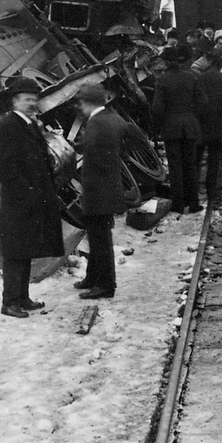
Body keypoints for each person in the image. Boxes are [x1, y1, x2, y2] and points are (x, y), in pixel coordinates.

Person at [0, 77, 65, 318]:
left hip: (32, 198)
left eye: (34, 99)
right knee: (15, 252)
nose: (32, 103)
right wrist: (26, 192)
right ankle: (9, 302)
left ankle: (22, 297)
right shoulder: (8, 125)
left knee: (25, 249)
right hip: (19, 199)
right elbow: (3, 167)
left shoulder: (29, 124)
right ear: (15, 101)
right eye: (27, 99)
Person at [73, 82, 126, 300]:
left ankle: (105, 284)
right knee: (97, 236)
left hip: (98, 190)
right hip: (107, 186)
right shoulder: (111, 118)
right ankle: (93, 277)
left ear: (86, 103)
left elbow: (96, 154)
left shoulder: (96, 124)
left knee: (100, 239)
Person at [152, 44, 206, 214]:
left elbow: (157, 108)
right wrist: (191, 115)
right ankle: (194, 202)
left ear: (166, 62)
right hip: (189, 126)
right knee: (190, 164)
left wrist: (160, 124)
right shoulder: (191, 77)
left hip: (171, 128)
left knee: (175, 167)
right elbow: (203, 102)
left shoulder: (162, 80)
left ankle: (178, 204)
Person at [196, 52, 222, 209]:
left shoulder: (199, 79)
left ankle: (194, 190)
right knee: (214, 160)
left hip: (201, 125)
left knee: (196, 159)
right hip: (219, 127)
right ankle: (211, 191)